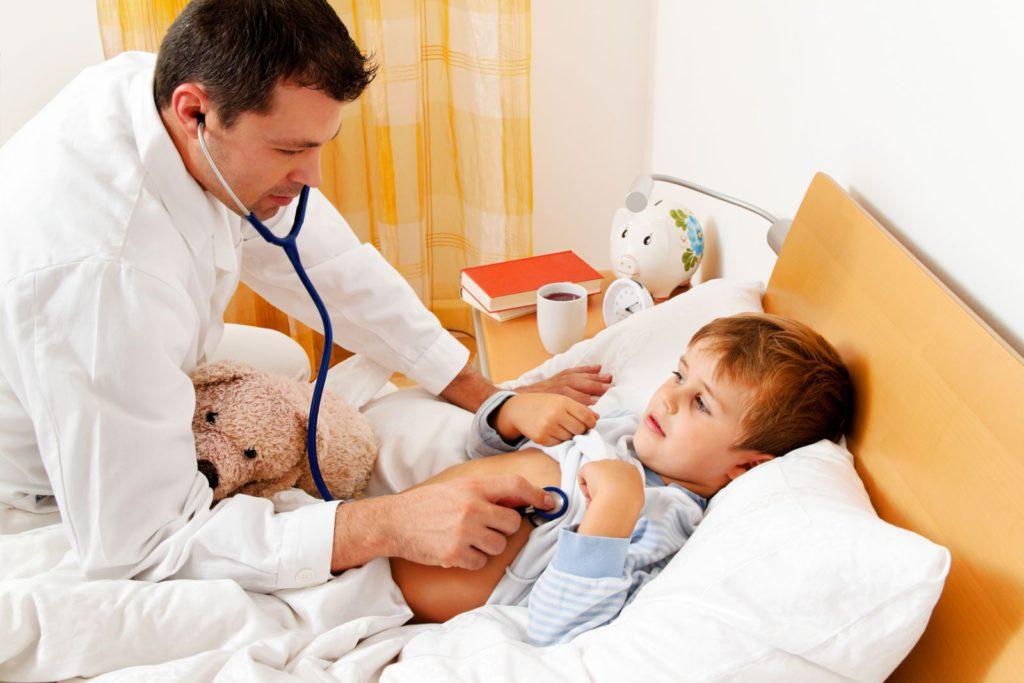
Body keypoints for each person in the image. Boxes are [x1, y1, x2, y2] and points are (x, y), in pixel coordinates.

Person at [0, 0, 610, 591]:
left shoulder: (165, 93)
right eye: (290, 151)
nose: (311, 177)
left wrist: (487, 396)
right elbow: (143, 541)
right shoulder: (105, 277)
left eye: (319, 145)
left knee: (284, 358)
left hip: (113, 343)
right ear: (194, 112)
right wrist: (388, 523)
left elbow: (332, 266)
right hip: (39, 471)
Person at [390, 313, 854, 645]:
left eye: (701, 404)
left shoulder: (667, 519)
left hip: (386, 596)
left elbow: (559, 625)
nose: (669, 398)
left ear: (746, 468)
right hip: (388, 522)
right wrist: (511, 417)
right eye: (679, 375)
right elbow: (479, 453)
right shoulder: (616, 425)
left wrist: (613, 505)